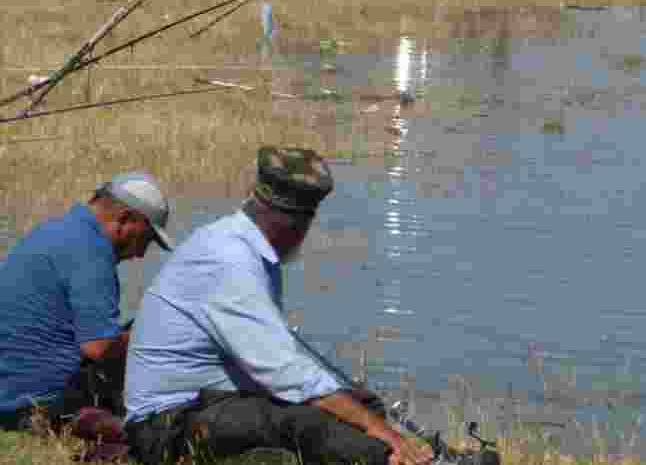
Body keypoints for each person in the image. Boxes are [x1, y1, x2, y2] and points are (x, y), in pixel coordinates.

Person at [123, 147, 434, 465]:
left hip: (214, 402)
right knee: (309, 423)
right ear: (296, 224)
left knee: (362, 405)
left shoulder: (247, 247)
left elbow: (274, 361)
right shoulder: (230, 259)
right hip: (167, 423)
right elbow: (283, 371)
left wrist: (359, 409)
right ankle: (394, 459)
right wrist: (383, 432)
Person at [0, 173, 174, 432]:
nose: (140, 254)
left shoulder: (56, 230)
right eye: (145, 239)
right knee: (153, 334)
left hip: (9, 394)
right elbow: (99, 347)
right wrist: (155, 338)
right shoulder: (92, 253)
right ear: (125, 219)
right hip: (38, 405)